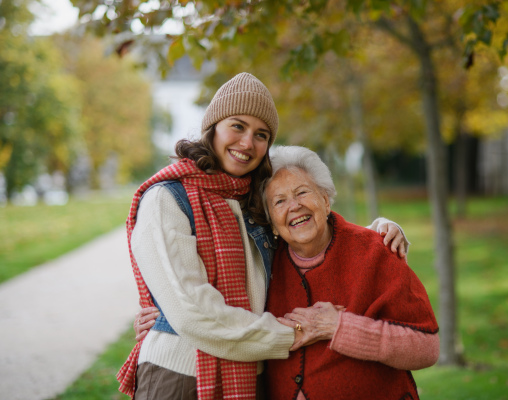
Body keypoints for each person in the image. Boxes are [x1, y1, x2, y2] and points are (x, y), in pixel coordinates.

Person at [121, 72, 409, 400]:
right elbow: (192, 312)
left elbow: (315, 240)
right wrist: (295, 331)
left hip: (253, 376)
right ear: (213, 127)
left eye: (261, 135)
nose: (247, 143)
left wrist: (380, 234)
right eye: (238, 126)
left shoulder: (255, 201)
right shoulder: (167, 199)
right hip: (183, 376)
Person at [261, 146, 439, 399]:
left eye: (302, 192)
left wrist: (339, 327)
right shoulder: (265, 265)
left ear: (325, 199)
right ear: (271, 221)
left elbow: (426, 347)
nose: (294, 206)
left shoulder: (376, 250)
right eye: (279, 201)